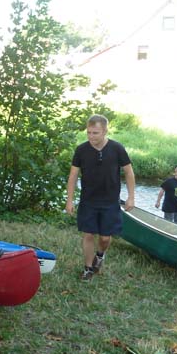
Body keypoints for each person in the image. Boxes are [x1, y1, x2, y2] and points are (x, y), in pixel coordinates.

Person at [65, 114, 135, 281]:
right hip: (88, 200)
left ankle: (100, 255)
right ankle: (88, 269)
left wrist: (131, 197)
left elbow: (129, 172)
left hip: (110, 201)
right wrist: (69, 200)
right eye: (88, 132)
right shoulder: (81, 150)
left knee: (105, 238)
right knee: (88, 234)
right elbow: (73, 175)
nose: (91, 136)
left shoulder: (117, 148)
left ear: (105, 131)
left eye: (95, 133)